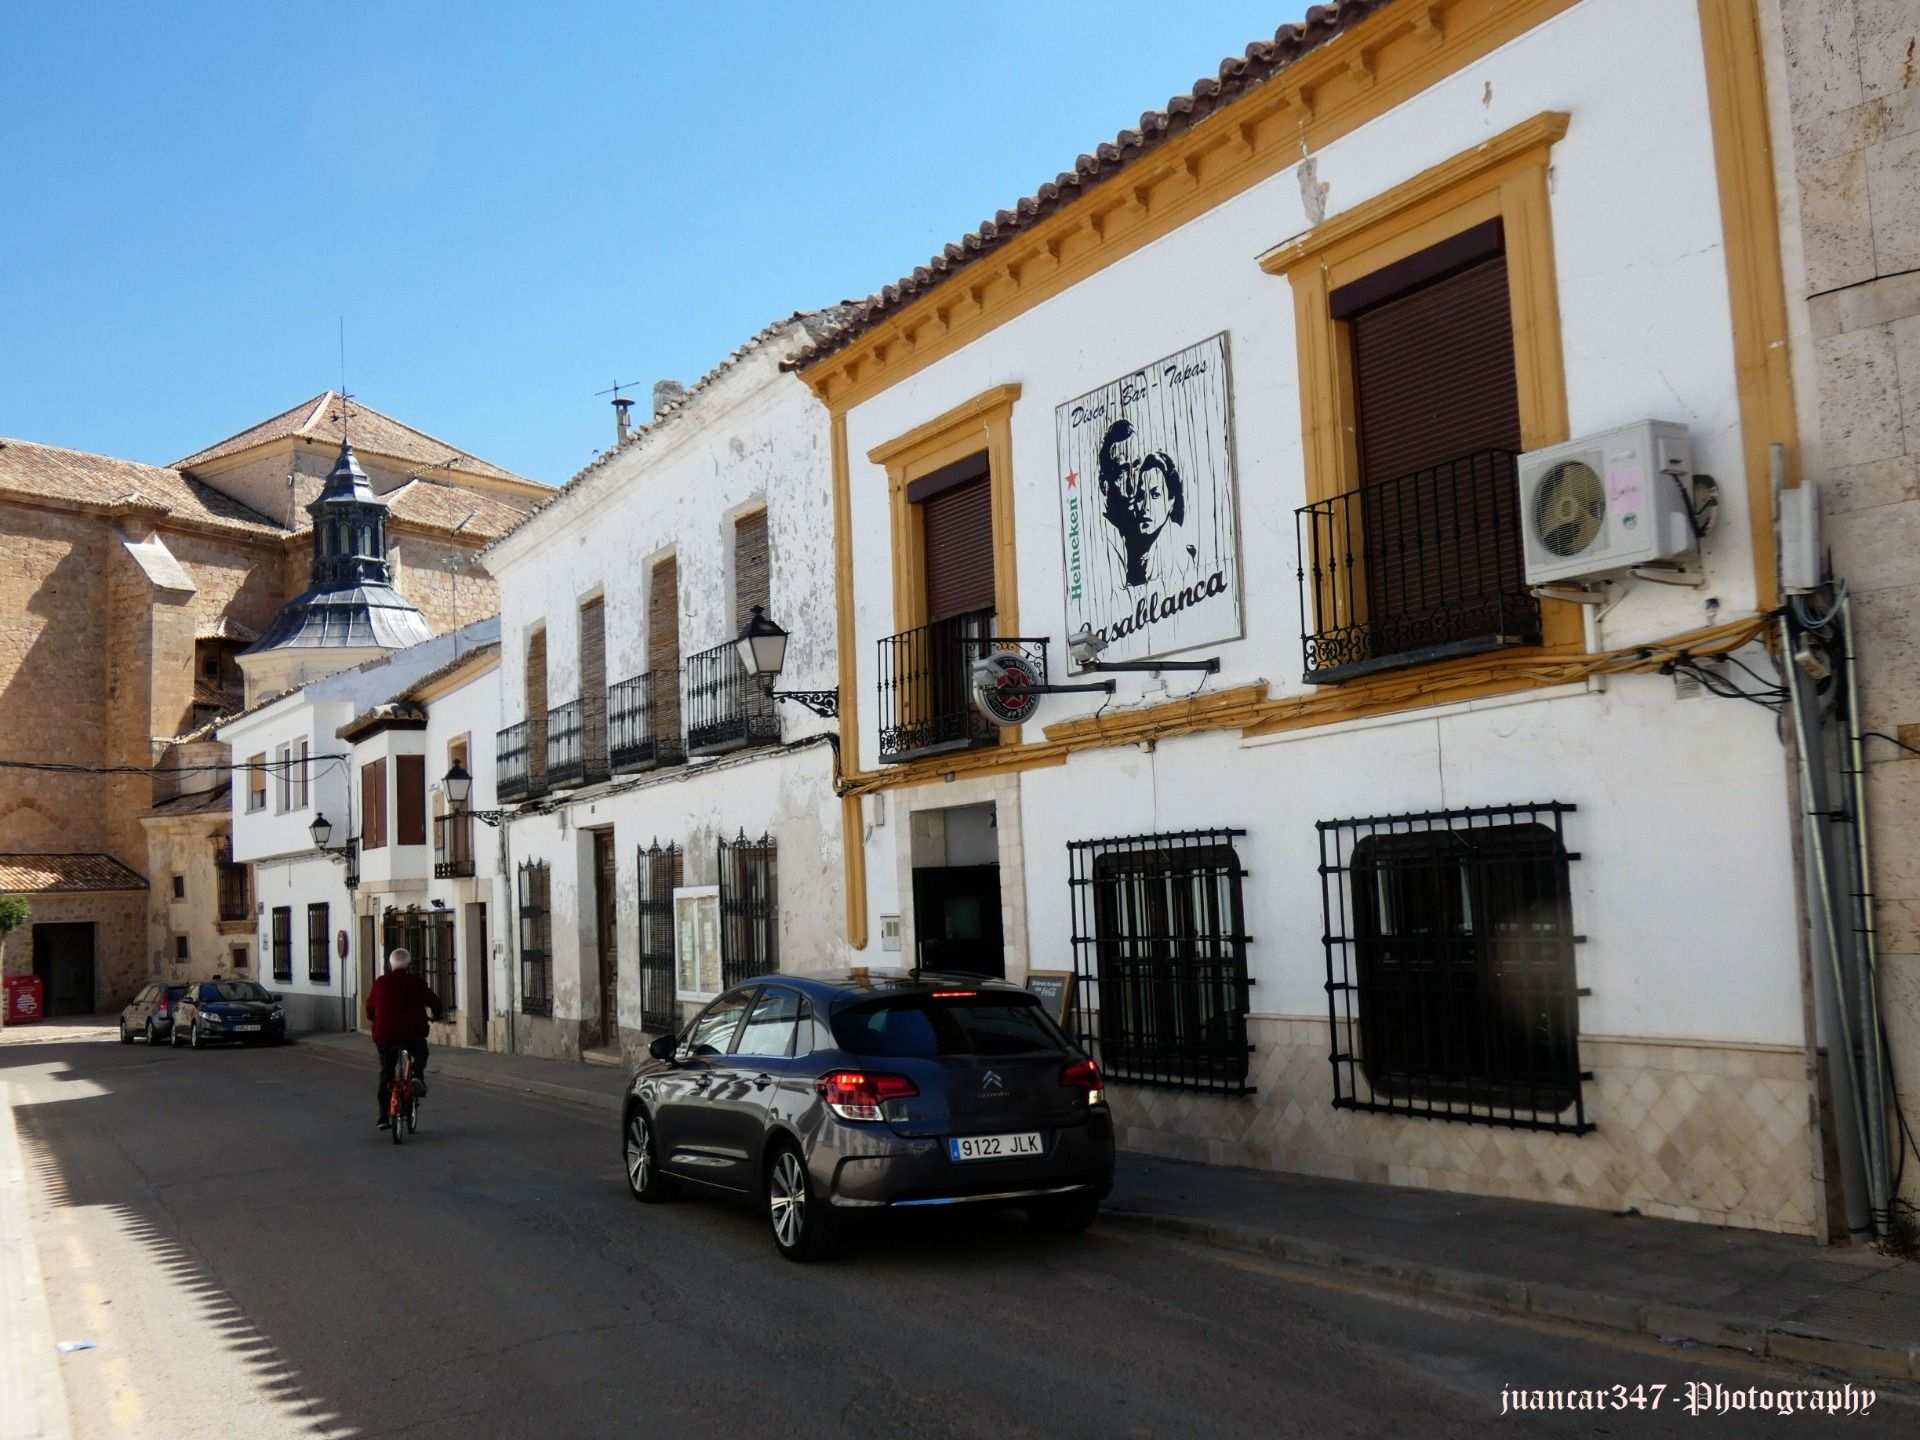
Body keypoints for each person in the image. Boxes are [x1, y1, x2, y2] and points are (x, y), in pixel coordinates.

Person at [1096, 418, 1197, 589]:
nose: (1131, 487)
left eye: (1136, 469)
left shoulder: (1163, 543)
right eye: (1121, 474)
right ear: (1105, 485)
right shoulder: (1106, 541)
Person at [365, 947, 445, 1129]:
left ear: (390, 965)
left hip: (385, 1035)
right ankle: (417, 1076)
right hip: (413, 1034)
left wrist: (376, 1018)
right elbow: (434, 1002)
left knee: (386, 1072)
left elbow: (369, 1011)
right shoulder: (416, 983)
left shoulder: (380, 983)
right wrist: (437, 1014)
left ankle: (383, 1117)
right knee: (421, 1052)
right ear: (409, 965)